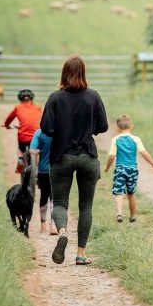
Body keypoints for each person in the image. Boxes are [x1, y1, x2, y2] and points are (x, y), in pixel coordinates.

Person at [40, 55, 108, 266]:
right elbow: (103, 126)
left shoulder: (55, 98)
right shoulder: (93, 96)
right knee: (86, 206)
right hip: (88, 156)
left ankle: (61, 233)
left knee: (60, 203)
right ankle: (81, 254)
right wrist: (87, 129)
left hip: (62, 157)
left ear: (64, 73)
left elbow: (47, 129)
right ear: (83, 72)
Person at [104, 114, 153, 223]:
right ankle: (132, 216)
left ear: (117, 128)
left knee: (119, 192)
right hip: (132, 169)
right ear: (131, 126)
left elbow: (111, 156)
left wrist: (107, 167)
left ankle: (119, 213)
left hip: (120, 169)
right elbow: (144, 153)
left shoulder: (116, 140)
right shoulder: (136, 139)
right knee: (131, 193)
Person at [3, 89, 42, 173]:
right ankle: (39, 168)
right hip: (36, 135)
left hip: (23, 137)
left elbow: (9, 118)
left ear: (20, 99)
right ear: (32, 98)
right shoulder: (38, 108)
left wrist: (6, 125)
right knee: (38, 150)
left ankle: (20, 159)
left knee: (21, 148)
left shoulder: (18, 107)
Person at [29, 127, 56, 234]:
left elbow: (31, 150)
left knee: (44, 195)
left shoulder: (39, 132)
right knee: (54, 198)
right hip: (56, 170)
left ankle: (43, 224)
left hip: (43, 170)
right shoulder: (61, 130)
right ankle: (53, 226)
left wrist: (39, 151)